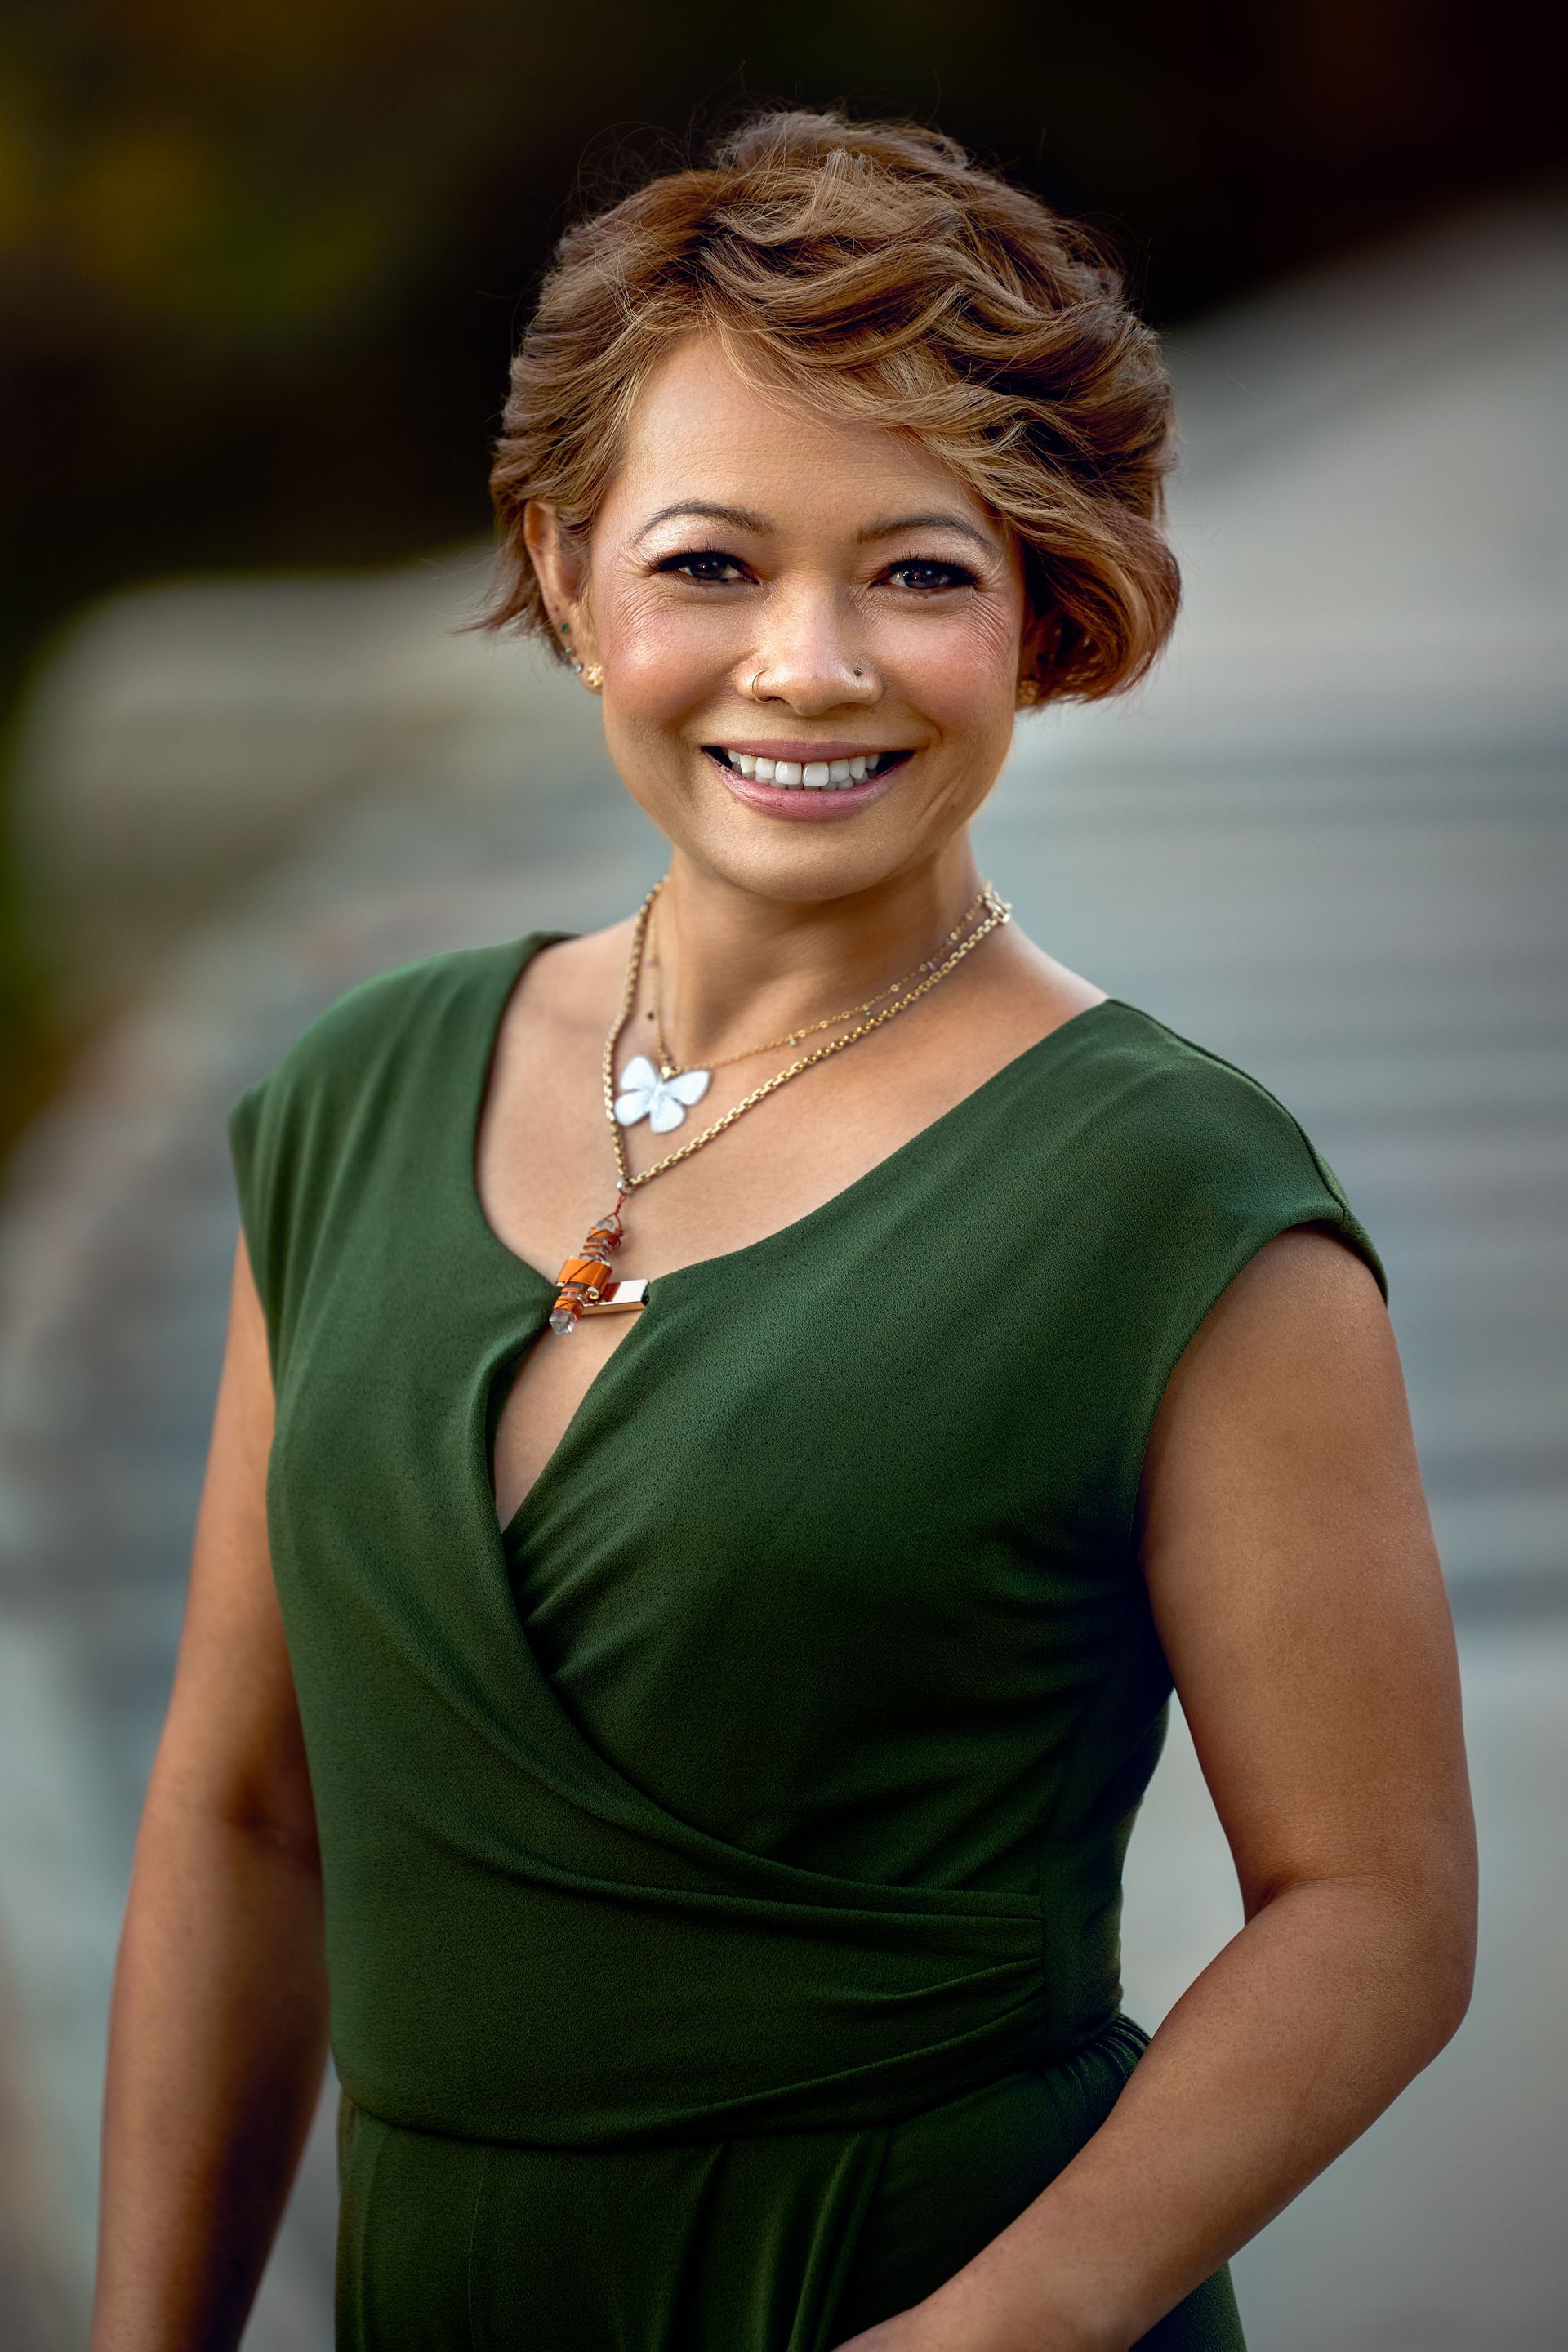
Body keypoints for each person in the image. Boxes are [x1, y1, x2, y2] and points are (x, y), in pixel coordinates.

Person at [91, 111, 1477, 2352]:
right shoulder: (353, 1096)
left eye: (916, 573)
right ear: (568, 576)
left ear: (1043, 607)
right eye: (712, 563)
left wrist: (999, 2333)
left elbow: (1378, 1911)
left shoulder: (1179, 1202)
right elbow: (248, 1817)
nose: (808, 668)